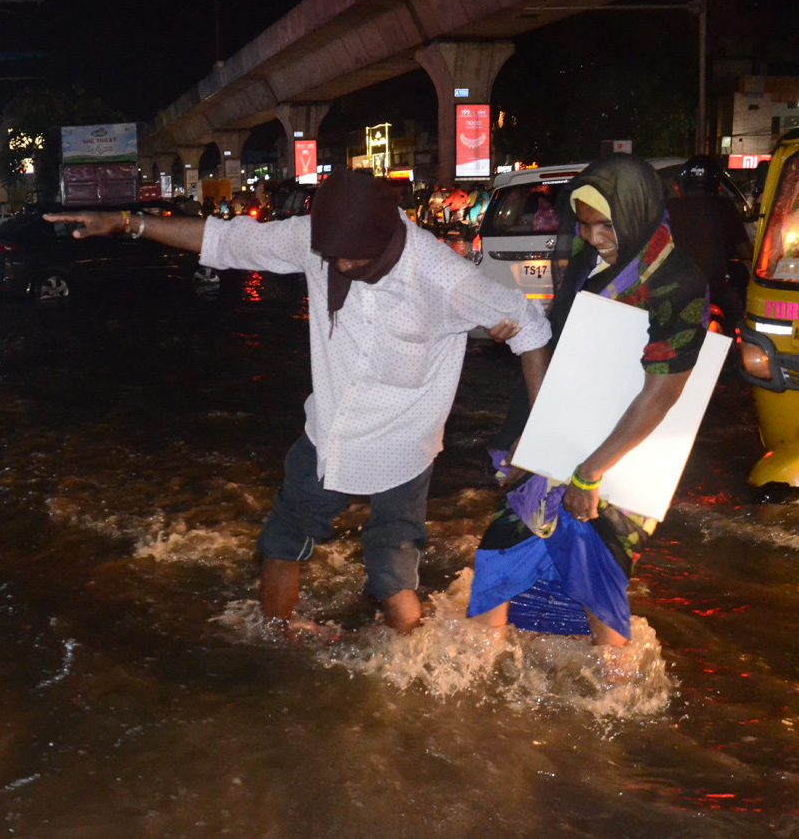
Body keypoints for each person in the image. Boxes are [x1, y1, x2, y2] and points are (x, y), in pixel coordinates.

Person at [47, 169, 551, 635]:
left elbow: (530, 327)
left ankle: (412, 687)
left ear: (388, 242)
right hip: (329, 430)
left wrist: (539, 438)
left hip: (403, 442)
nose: (343, 267)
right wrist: (126, 222)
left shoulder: (442, 275)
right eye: (333, 258)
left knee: (392, 572)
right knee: (283, 539)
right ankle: (276, 644)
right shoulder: (316, 240)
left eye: (355, 259)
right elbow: (224, 240)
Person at [467, 155, 710, 646]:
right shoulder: (588, 265)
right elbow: (567, 356)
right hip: (563, 446)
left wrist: (589, 472)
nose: (595, 237)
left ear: (638, 212)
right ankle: (476, 690)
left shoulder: (675, 284)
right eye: (585, 223)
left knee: (595, 575)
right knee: (498, 558)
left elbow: (662, 394)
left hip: (618, 462)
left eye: (607, 225)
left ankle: (615, 703)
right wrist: (532, 436)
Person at [664, 154, 753, 326]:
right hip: (715, 291)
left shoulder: (670, 207)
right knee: (739, 320)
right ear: (716, 183)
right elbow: (746, 251)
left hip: (676, 292)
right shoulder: (725, 207)